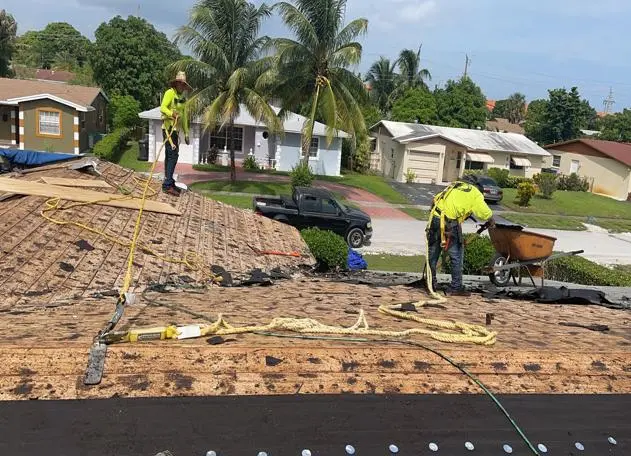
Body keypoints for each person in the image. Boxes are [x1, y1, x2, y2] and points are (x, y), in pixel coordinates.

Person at [426, 174, 496, 296]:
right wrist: (491, 220)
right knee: (456, 255)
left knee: (433, 252)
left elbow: (434, 201)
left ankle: (430, 283)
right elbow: (484, 212)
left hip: (435, 218)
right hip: (449, 223)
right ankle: (456, 287)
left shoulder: (454, 185)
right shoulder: (474, 192)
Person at [160, 71, 192, 196]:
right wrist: (171, 114)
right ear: (176, 84)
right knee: (172, 155)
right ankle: (167, 184)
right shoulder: (169, 93)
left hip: (176, 131)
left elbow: (184, 118)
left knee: (171, 155)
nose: (182, 87)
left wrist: (187, 133)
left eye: (184, 85)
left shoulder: (183, 99)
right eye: (180, 84)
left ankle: (169, 180)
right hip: (168, 129)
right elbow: (163, 107)